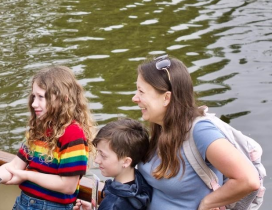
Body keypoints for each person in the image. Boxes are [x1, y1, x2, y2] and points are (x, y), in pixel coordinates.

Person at [131, 55, 259, 210]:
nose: (134, 98)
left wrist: (208, 203)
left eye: (141, 91)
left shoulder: (200, 131)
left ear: (166, 97)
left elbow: (248, 180)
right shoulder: (161, 127)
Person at [0, 66, 95, 210]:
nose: (34, 103)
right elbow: (15, 166)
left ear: (63, 99)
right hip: (23, 203)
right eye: (34, 96)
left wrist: (26, 175)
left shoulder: (73, 133)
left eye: (41, 97)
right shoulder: (39, 128)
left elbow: (68, 186)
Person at [73, 118, 152, 210]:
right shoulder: (141, 184)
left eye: (103, 155)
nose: (96, 160)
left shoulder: (113, 204)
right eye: (98, 153)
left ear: (126, 162)